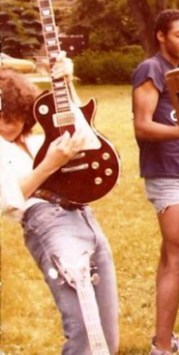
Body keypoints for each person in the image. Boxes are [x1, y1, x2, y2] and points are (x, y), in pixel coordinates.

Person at [0, 59, 119, 353]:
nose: (4, 125)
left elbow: (85, 137)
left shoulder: (37, 136)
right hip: (46, 222)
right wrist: (49, 165)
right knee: (83, 329)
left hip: (83, 215)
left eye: (10, 117)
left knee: (107, 331)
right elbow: (6, 200)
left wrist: (66, 84)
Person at [131, 9, 179, 354]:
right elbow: (142, 126)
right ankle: (162, 346)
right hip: (166, 175)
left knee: (170, 258)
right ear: (161, 36)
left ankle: (165, 338)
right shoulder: (152, 69)